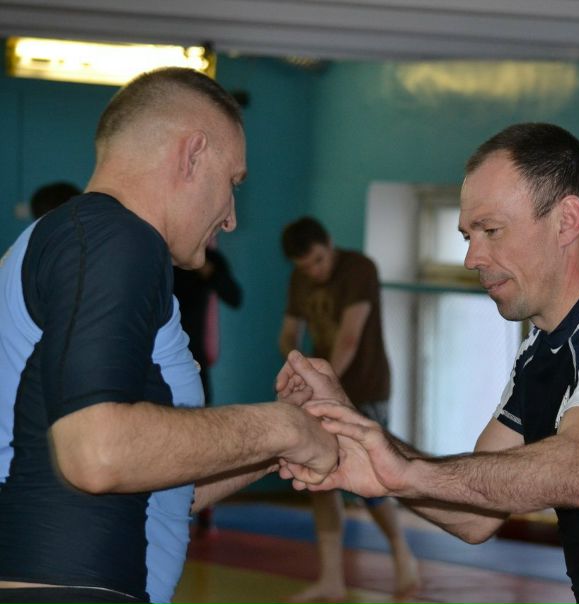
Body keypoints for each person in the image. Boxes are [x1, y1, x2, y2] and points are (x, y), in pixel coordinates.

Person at [281, 123, 579, 604]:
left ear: (567, 221)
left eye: (491, 231)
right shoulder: (539, 352)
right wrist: (358, 438)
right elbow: (474, 516)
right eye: (468, 235)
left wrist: (406, 473)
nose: (472, 257)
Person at [0, 67, 338, 604]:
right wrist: (283, 427)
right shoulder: (114, 238)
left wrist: (277, 447)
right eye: (233, 183)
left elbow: (150, 490)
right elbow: (97, 453)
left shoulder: (73, 240)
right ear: (192, 154)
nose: (230, 217)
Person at [278, 217, 419, 602]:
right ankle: (331, 579)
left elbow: (350, 337)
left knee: (372, 479)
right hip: (319, 390)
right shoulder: (299, 279)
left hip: (365, 387)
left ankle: (402, 554)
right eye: (305, 266)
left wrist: (322, 382)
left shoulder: (359, 269)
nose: (314, 271)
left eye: (318, 261)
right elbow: (288, 333)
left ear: (330, 244)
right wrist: (296, 364)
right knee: (317, 477)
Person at [174, 244, 243, 536]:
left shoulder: (209, 258)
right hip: (156, 360)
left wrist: (211, 273)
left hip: (195, 361)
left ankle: (205, 508)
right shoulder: (159, 254)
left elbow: (235, 297)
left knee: (200, 436)